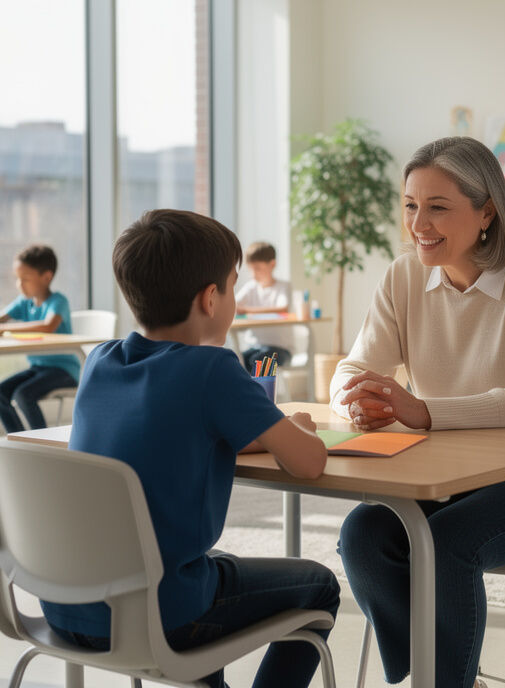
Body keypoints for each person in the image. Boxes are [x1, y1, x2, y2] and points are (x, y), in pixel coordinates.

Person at [40, 209, 338, 688]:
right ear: (211, 298)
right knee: (319, 585)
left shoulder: (100, 360)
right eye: (233, 287)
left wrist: (258, 428)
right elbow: (309, 462)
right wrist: (293, 426)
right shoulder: (212, 370)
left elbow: (171, 426)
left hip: (68, 607)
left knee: (205, 571)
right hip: (160, 616)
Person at [330, 136, 505, 688]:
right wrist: (355, 401)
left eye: (438, 207)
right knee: (364, 534)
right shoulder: (403, 276)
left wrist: (423, 412)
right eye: (410, 205)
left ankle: (445, 680)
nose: (418, 224)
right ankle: (438, 677)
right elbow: (353, 367)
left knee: (446, 544)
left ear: (487, 211)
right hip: (452, 477)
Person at [0, 245, 81, 432]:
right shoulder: (24, 302)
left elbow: (48, 326)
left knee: (23, 395)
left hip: (64, 371)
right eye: (18, 279)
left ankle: (41, 441)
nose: (19, 284)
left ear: (46, 277)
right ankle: (20, 440)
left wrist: (2, 329)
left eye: (25, 279)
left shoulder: (58, 301)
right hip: (37, 368)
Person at [235, 241, 293, 373]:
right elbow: (235, 305)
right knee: (235, 361)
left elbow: (283, 309)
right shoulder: (250, 287)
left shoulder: (283, 287)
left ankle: (261, 387)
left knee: (260, 361)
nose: (253, 274)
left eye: (257, 268)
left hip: (280, 349)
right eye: (251, 269)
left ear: (272, 264)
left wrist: (247, 310)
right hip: (254, 346)